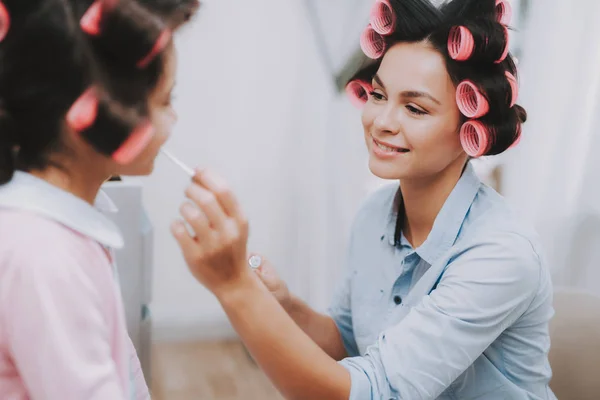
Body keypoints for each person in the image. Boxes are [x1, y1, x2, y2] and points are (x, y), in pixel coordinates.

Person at [171, 0, 557, 399]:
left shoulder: (500, 255)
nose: (382, 122)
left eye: (414, 107)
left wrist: (236, 289)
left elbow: (374, 391)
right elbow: (348, 343)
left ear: (470, 127)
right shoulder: (375, 214)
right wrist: (284, 305)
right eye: (377, 95)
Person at [0, 0, 198, 398]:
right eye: (164, 102)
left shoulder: (66, 233)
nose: (173, 119)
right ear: (91, 116)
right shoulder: (45, 258)